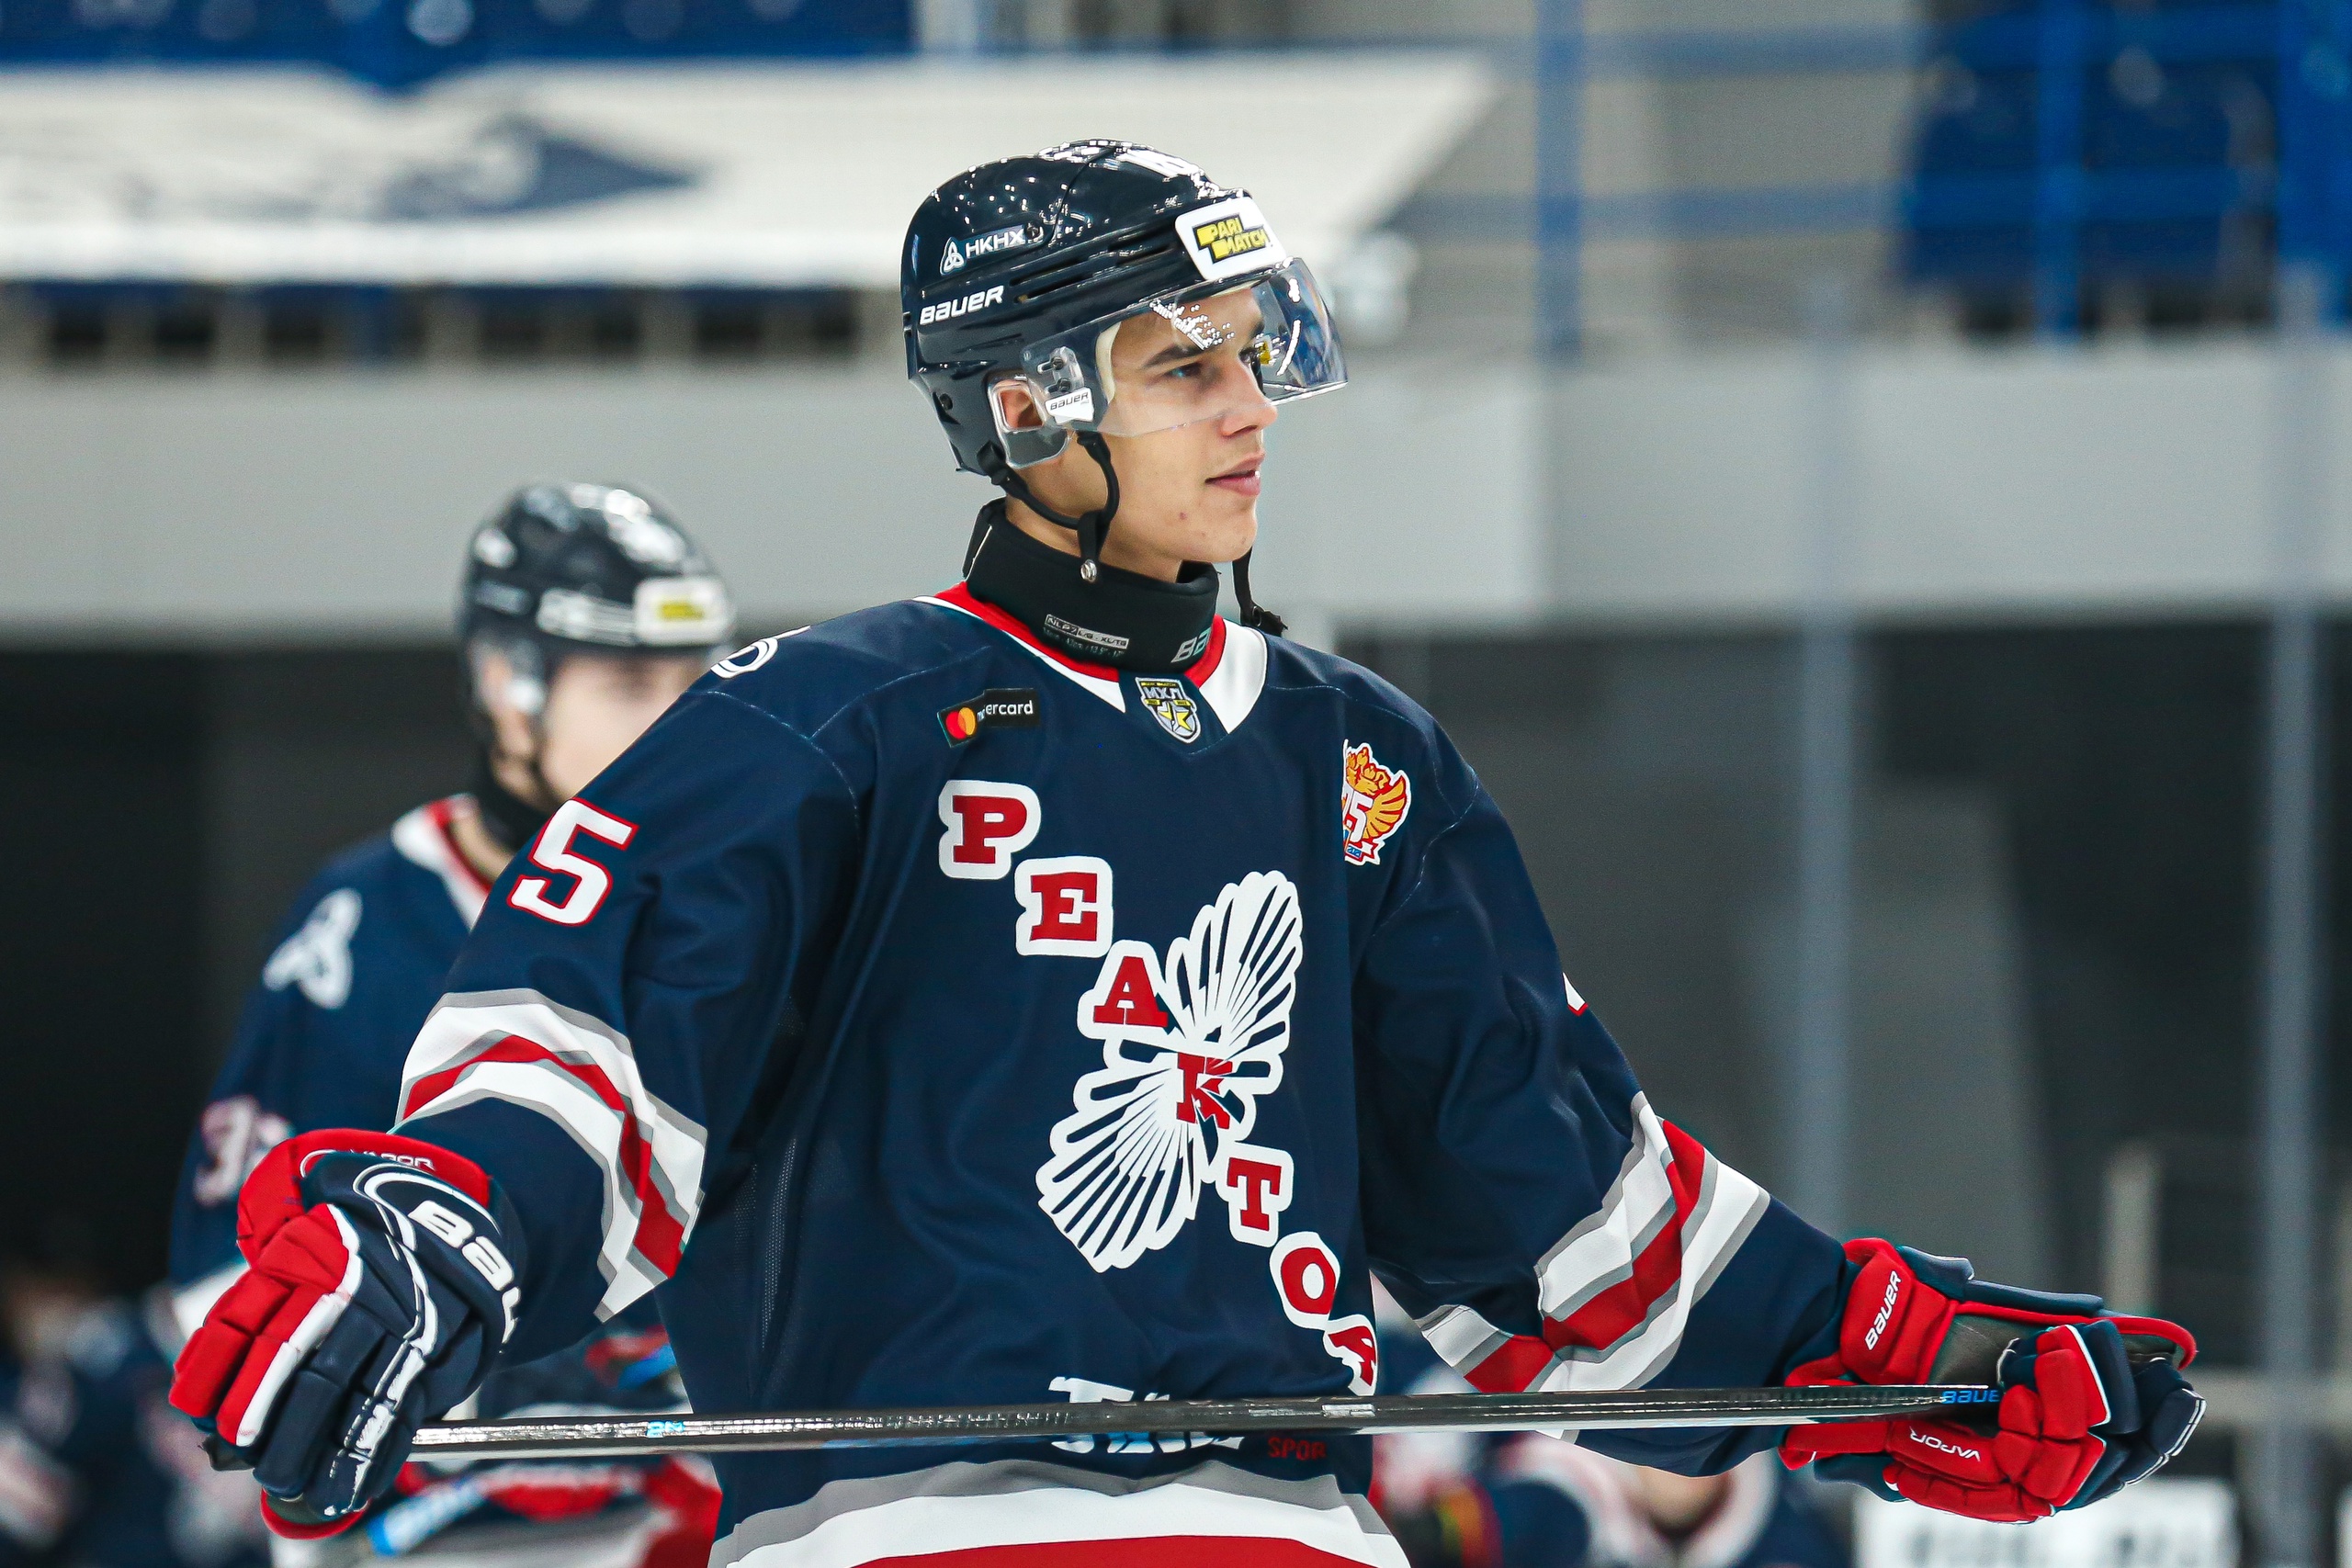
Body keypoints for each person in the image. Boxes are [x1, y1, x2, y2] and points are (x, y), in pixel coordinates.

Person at [168, 142, 2206, 1563]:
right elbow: (585, 1057)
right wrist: (436, 1232)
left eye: (1251, 347)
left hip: (1293, 1523)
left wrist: (1912, 1353)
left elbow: (1575, 1228)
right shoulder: (823, 721)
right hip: (906, 1531)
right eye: (1182, 362)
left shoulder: (1359, 756)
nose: (1249, 404)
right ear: (1025, 401)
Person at [165, 483, 734, 1563]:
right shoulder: (367, 924)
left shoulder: (731, 916)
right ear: (505, 684)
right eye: (628, 683)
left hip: (669, 1520)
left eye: (689, 679)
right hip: (419, 1534)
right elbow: (222, 1278)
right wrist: (457, 1372)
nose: (675, 721)